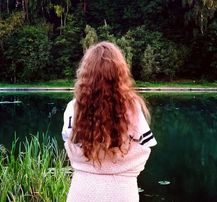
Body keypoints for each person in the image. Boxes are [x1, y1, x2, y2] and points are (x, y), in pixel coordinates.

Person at [62, 41, 157, 202]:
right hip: (123, 191)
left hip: (82, 191)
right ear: (119, 73)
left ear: (86, 73)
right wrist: (123, 167)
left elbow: (69, 144)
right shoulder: (132, 108)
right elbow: (145, 147)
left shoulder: (73, 107)